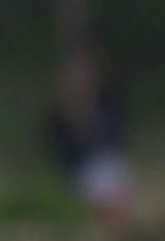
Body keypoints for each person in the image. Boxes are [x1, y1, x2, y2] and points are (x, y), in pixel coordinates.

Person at [48, 44, 133, 228]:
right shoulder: (59, 116)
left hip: (106, 167)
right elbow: (65, 155)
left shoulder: (108, 103)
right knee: (102, 180)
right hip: (79, 174)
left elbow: (113, 143)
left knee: (112, 174)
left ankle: (115, 219)